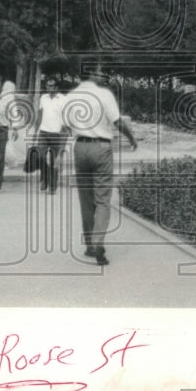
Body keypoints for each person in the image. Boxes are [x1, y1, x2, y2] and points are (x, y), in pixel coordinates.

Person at [65, 69, 137, 266]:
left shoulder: (71, 96)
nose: (101, 76)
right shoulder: (104, 94)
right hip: (101, 147)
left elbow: (65, 126)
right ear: (93, 75)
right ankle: (98, 241)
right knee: (103, 199)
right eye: (98, 72)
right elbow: (118, 122)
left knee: (86, 200)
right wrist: (131, 138)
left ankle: (89, 244)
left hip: (80, 147)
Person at [31, 76, 69, 194]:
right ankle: (45, 177)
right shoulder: (44, 98)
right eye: (47, 85)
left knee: (54, 161)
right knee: (40, 156)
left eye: (51, 85)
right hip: (43, 132)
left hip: (57, 134)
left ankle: (52, 186)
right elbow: (40, 115)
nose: (48, 87)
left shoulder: (63, 99)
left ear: (56, 87)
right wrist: (35, 131)